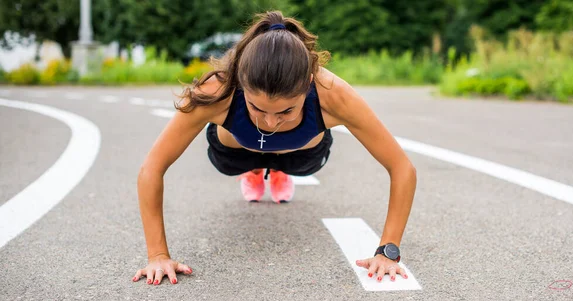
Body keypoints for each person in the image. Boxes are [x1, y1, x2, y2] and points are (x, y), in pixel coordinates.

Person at [132, 11, 417, 286]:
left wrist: (387, 252)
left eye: (285, 112)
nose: (270, 122)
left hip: (302, 157)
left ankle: (276, 170)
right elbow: (152, 168)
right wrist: (158, 255)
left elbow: (401, 167)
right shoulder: (217, 90)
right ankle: (255, 168)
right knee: (232, 158)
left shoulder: (334, 94)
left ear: (307, 84)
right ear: (242, 85)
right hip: (235, 154)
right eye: (257, 108)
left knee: (302, 164)